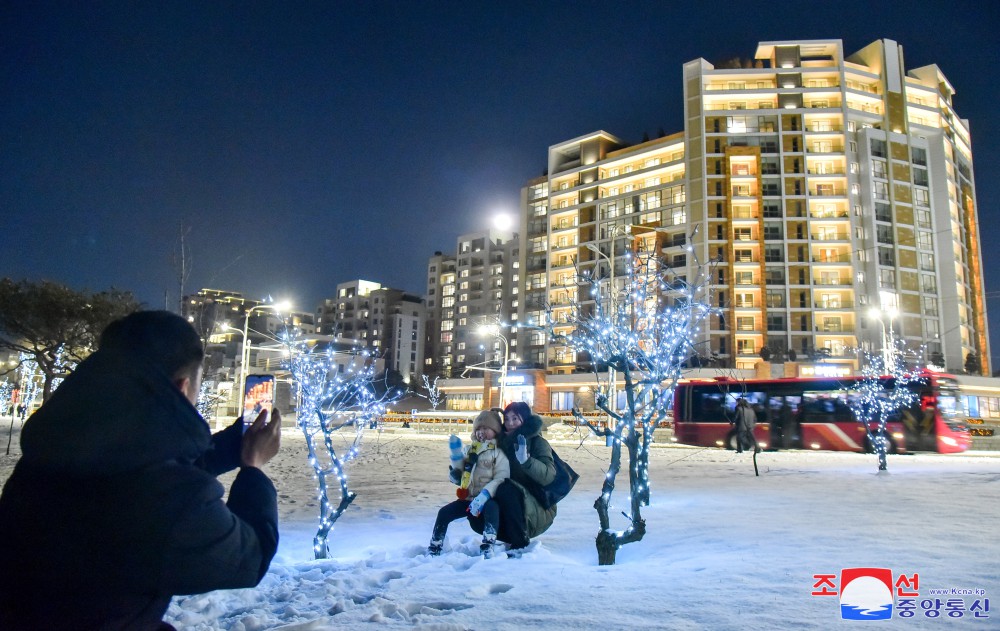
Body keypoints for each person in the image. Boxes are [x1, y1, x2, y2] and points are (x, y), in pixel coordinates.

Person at [0, 310, 282, 630]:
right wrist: (253, 467)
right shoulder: (173, 502)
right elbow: (248, 557)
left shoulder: (54, 452)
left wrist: (235, 443)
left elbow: (154, 469)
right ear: (182, 387)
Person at [466, 401, 557, 554]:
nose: (510, 423)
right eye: (507, 419)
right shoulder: (499, 443)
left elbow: (549, 476)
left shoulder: (537, 443)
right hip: (507, 502)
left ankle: (519, 542)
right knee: (476, 507)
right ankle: (494, 538)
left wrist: (527, 462)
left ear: (525, 420)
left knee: (505, 487)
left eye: (515, 418)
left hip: (537, 506)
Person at [428, 410, 509, 558]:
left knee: (492, 509)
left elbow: (501, 478)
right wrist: (455, 458)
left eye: (485, 428)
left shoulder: (498, 453)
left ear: (495, 431)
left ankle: (488, 544)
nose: (481, 432)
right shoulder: (469, 449)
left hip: (488, 499)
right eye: (478, 429)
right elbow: (460, 472)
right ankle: (435, 544)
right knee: (444, 512)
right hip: (468, 499)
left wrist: (485, 495)